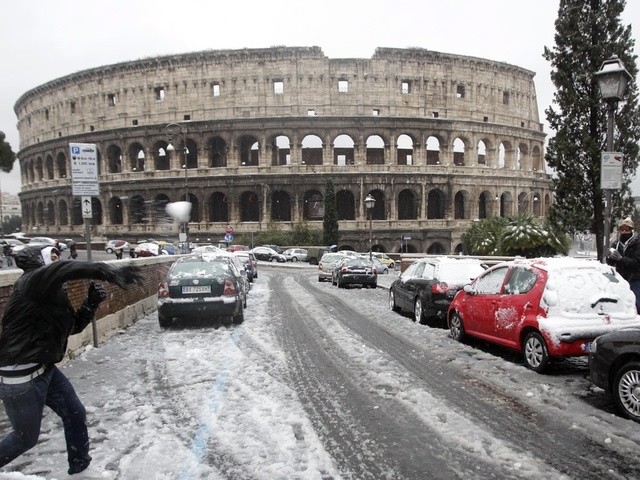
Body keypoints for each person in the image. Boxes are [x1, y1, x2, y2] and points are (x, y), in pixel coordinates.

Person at [0, 245, 143, 478]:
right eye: (53, 257)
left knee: (75, 413)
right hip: (20, 376)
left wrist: (90, 304)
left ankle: (80, 468)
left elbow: (72, 327)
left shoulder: (52, 293)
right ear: (40, 261)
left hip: (44, 369)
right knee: (25, 438)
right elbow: (66, 269)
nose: (59, 261)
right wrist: (108, 271)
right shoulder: (32, 282)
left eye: (59, 256)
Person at [607, 217, 640, 312]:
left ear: (631, 230)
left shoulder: (637, 244)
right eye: (622, 229)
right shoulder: (616, 244)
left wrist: (621, 259)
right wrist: (610, 257)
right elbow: (610, 263)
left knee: (636, 303)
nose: (624, 231)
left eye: (627, 229)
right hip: (620, 279)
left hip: (635, 279)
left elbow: (637, 263)